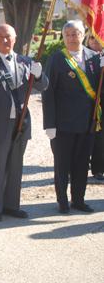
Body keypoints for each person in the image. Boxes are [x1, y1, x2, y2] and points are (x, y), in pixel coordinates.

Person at [0, 24, 48, 222]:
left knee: (15, 166)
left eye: (8, 37)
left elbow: (43, 85)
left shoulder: (25, 62)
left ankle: (12, 205)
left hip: (21, 123)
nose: (5, 40)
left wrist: (39, 74)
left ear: (15, 39)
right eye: (0, 37)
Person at [42, 20, 104, 214]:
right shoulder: (57, 59)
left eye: (75, 33)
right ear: (63, 37)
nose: (71, 38)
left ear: (83, 34)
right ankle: (62, 201)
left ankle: (79, 200)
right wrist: (49, 124)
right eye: (67, 34)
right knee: (62, 165)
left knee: (81, 164)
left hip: (88, 122)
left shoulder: (95, 58)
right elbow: (48, 92)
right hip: (63, 124)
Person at [86, 34, 104, 181]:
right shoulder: (83, 56)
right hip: (87, 102)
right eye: (92, 37)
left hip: (102, 101)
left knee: (101, 137)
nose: (95, 40)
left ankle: (99, 168)